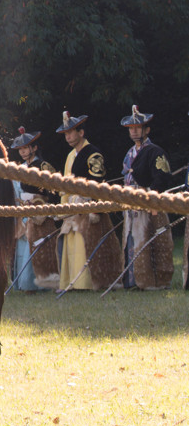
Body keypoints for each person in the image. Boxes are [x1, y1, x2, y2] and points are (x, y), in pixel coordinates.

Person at [56, 112, 122, 291]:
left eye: (71, 132)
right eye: (66, 134)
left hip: (88, 205)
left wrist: (91, 205)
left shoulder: (93, 154)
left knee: (87, 244)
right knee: (72, 244)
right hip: (72, 205)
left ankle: (88, 282)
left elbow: (97, 182)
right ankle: (73, 282)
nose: (68, 136)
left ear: (81, 133)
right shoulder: (71, 155)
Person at [120, 106, 173, 289]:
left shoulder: (155, 151)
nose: (134, 131)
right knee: (131, 240)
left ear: (146, 129)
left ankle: (151, 281)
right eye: (131, 128)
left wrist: (152, 197)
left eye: (137, 127)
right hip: (130, 203)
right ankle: (133, 281)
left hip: (148, 202)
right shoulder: (129, 153)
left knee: (150, 241)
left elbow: (162, 177)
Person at [8, 129, 59, 290]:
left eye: (26, 148)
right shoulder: (20, 168)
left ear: (34, 148)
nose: (22, 152)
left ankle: (40, 285)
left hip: (40, 212)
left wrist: (45, 204)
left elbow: (55, 190)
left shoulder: (44, 166)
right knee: (24, 247)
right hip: (24, 210)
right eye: (20, 149)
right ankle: (24, 283)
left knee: (39, 247)